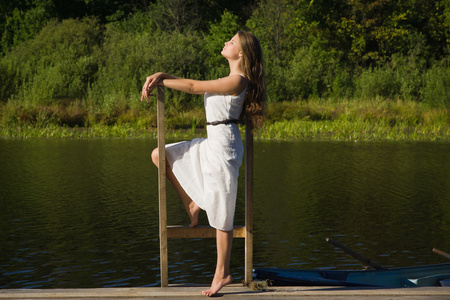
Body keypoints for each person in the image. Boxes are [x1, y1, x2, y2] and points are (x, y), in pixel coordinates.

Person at [141, 30, 266, 297]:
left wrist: (162, 79)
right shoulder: (229, 78)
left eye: (231, 41)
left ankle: (222, 272)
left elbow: (195, 87)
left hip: (224, 147)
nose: (225, 42)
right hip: (211, 142)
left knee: (222, 215)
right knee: (159, 154)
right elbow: (195, 85)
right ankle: (191, 203)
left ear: (241, 52)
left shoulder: (238, 81)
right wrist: (164, 77)